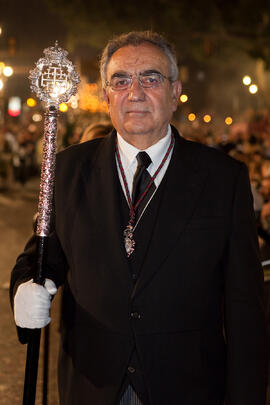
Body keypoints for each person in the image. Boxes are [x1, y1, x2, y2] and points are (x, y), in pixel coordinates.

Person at [10, 31, 267, 405]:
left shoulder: (223, 178)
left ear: (175, 89)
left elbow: (246, 308)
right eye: (121, 80)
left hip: (188, 388)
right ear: (106, 94)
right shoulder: (67, 169)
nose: (135, 92)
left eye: (151, 78)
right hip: (91, 386)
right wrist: (24, 287)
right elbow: (41, 255)